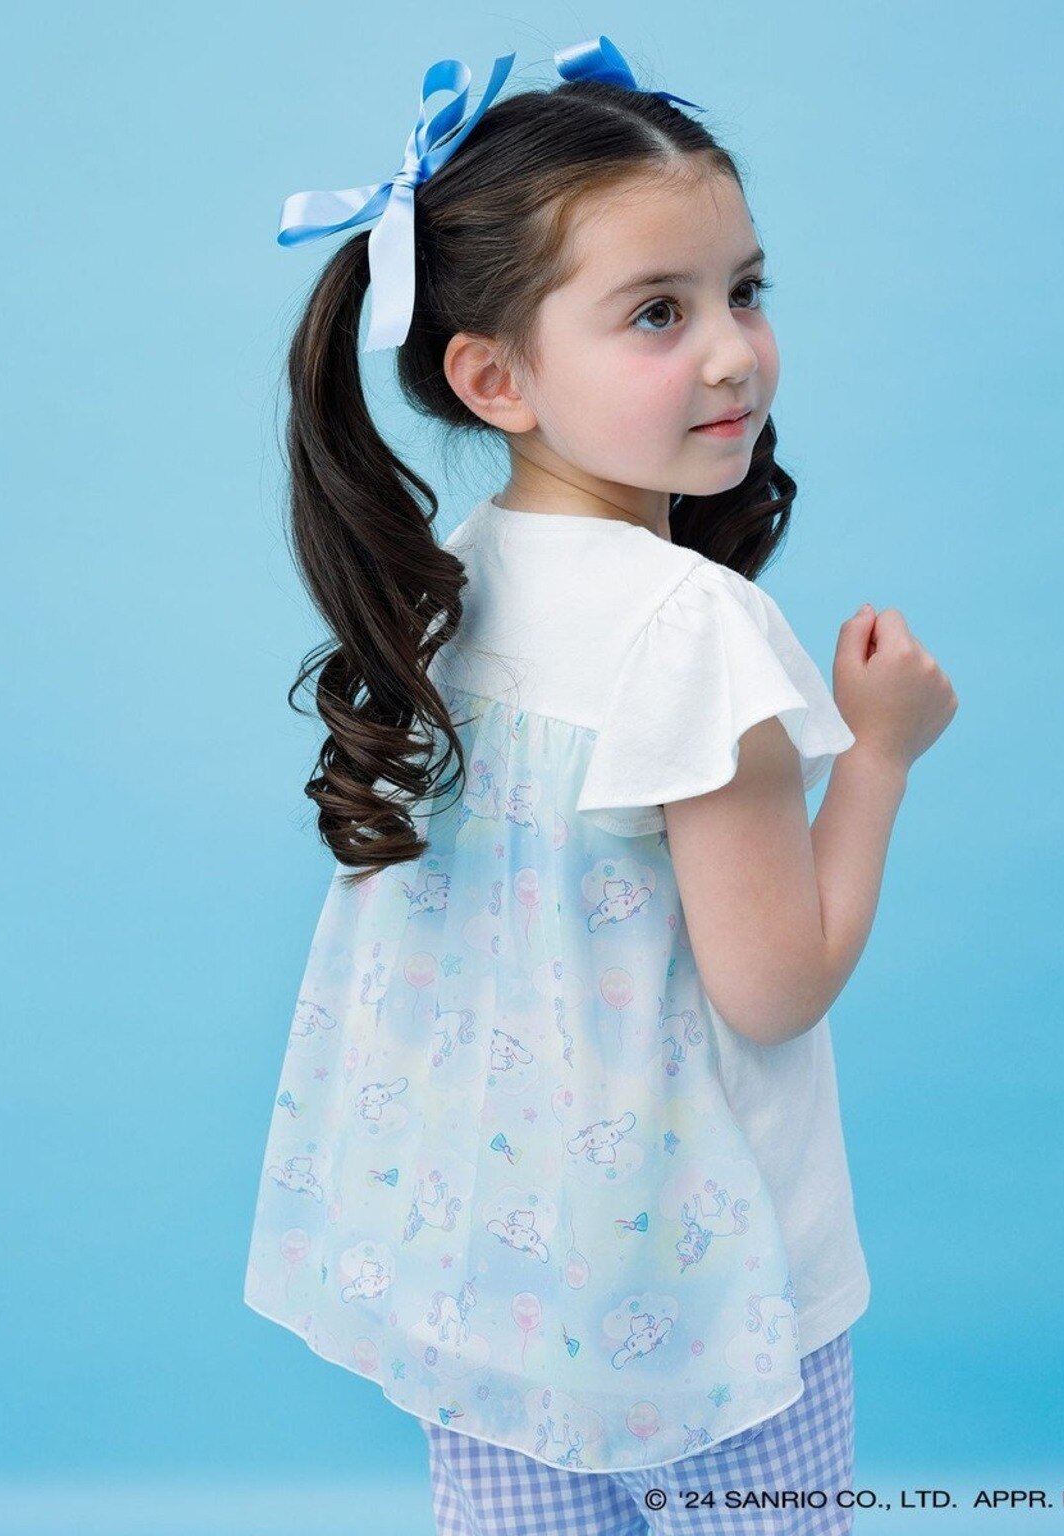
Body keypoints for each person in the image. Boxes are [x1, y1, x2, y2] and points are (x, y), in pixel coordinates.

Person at [243, 34, 958, 1536]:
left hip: (498, 1271)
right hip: (705, 1291)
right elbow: (775, 986)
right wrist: (880, 755)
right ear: (494, 376)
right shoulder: (691, 630)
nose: (733, 352)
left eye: (745, 291)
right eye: (657, 313)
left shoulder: (450, 582)